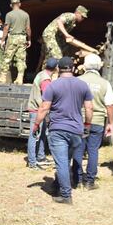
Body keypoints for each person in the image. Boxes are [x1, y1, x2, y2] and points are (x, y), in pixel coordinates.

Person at [32, 56, 94, 205]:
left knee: (61, 163)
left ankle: (66, 196)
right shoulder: (83, 85)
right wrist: (87, 124)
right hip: (76, 130)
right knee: (65, 160)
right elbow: (89, 107)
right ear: (72, 68)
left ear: (58, 69)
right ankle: (56, 186)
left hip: (58, 130)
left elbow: (44, 108)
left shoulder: (53, 86)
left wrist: (36, 125)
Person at [76, 54, 113, 189]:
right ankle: (90, 181)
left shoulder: (77, 81)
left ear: (85, 66)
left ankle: (77, 179)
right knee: (93, 150)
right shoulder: (105, 83)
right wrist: (110, 123)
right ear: (99, 67)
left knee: (78, 149)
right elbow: (110, 105)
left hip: (80, 121)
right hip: (97, 122)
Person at [26, 57, 58, 169]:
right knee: (34, 135)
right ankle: (32, 162)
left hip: (37, 108)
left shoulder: (41, 74)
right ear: (55, 68)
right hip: (37, 110)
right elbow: (47, 98)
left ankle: (40, 156)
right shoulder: (46, 80)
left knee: (43, 133)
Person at [0, 0, 31, 84]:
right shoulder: (26, 14)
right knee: (21, 59)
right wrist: (29, 39)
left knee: (7, 57)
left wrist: (2, 40)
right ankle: (20, 78)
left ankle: (3, 77)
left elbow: (6, 28)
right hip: (22, 38)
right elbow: (28, 29)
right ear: (19, 4)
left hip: (12, 37)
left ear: (10, 5)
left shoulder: (9, 15)